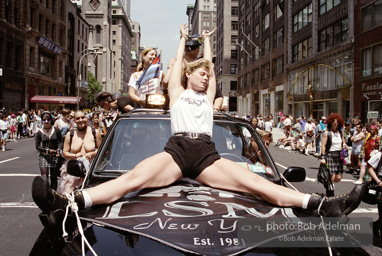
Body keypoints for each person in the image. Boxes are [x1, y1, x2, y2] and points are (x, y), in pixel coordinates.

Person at [32, 24, 365, 229]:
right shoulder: (177, 94)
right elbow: (177, 63)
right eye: (200, 72)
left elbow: (214, 70)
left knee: (257, 185)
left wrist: (206, 42)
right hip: (176, 152)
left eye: (208, 73)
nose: (206, 75)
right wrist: (181, 39)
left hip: (207, 155)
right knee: (130, 180)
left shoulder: (209, 98)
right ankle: (69, 203)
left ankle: (325, 205)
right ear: (187, 76)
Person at [163, 28, 224, 111]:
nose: (206, 78)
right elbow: (178, 60)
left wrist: (205, 38)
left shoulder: (207, 97)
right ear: (188, 74)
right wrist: (184, 37)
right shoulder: (177, 95)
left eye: (207, 75)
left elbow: (209, 64)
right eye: (202, 74)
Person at [59, 110, 102, 194]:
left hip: (91, 169)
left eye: (82, 117)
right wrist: (75, 155)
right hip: (74, 170)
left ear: (86, 118)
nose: (80, 120)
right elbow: (65, 153)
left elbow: (102, 151)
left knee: (91, 195)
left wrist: (91, 153)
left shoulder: (95, 132)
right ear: (74, 120)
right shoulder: (70, 134)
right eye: (77, 118)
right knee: (70, 195)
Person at [320, 113, 348, 196]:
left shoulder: (340, 133)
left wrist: (344, 145)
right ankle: (330, 192)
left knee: (338, 177)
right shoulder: (327, 133)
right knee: (331, 176)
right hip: (330, 155)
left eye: (337, 121)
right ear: (330, 123)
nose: (335, 123)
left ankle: (329, 184)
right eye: (333, 121)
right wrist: (323, 157)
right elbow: (323, 145)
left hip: (339, 155)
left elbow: (343, 142)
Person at [34, 111, 63, 190]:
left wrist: (58, 149)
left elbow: (61, 141)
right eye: (44, 120)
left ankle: (53, 195)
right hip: (44, 156)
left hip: (54, 156)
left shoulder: (56, 130)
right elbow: (37, 146)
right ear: (42, 121)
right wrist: (46, 150)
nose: (46, 121)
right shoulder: (40, 132)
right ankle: (46, 194)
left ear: (51, 120)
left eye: (48, 119)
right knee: (44, 177)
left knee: (53, 177)